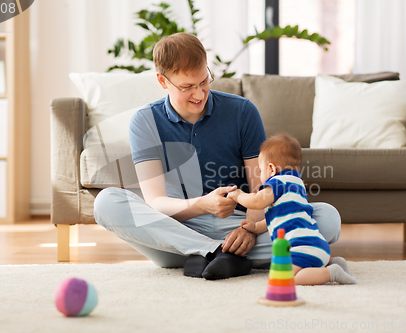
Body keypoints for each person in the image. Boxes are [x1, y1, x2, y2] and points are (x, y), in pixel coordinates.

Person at [93, 32, 342, 280]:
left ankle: (205, 257)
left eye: (204, 81)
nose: (199, 94)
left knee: (327, 218)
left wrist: (249, 231)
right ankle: (214, 252)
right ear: (162, 81)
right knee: (107, 202)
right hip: (178, 228)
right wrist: (202, 204)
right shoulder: (145, 122)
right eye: (187, 87)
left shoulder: (243, 111)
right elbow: (156, 201)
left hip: (238, 225)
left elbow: (259, 187)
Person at [227, 133, 356, 284]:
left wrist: (239, 196)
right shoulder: (297, 184)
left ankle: (331, 273)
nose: (260, 175)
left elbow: (256, 201)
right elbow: (279, 218)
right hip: (316, 243)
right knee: (306, 265)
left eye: (260, 171)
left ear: (271, 169)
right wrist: (255, 227)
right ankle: (332, 262)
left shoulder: (276, 183)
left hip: (299, 247)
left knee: (286, 278)